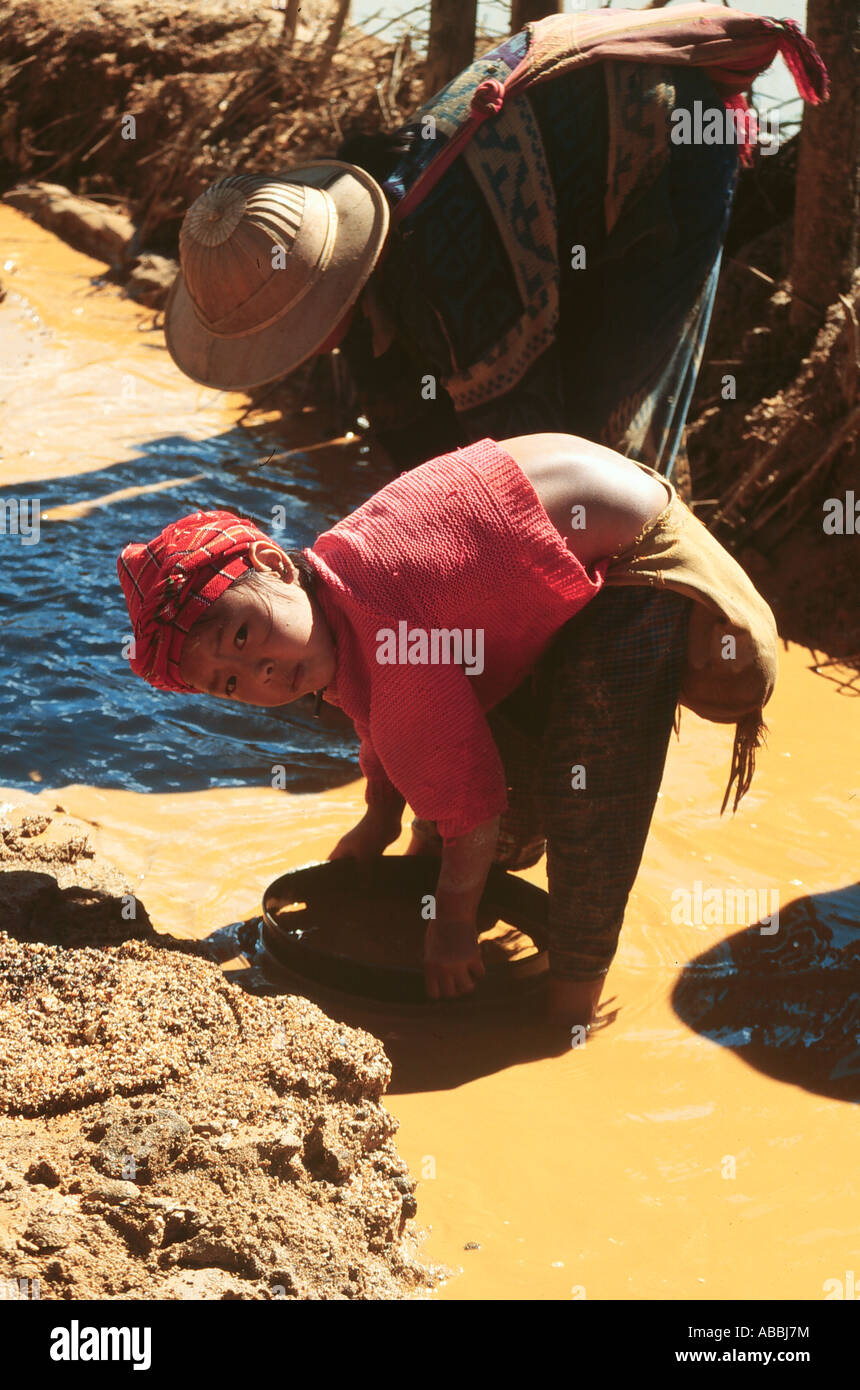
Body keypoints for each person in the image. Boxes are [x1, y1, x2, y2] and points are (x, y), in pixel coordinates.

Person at [117, 433, 777, 1030]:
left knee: (590, 800)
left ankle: (566, 1015)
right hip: (588, 498)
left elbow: (473, 806)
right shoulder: (335, 583)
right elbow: (379, 718)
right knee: (455, 765)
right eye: (231, 683)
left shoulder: (390, 640)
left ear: (277, 563)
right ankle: (438, 889)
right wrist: (380, 818)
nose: (260, 672)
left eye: (242, 635)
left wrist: (454, 926)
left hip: (646, 558)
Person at [162, 5, 826, 477]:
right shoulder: (375, 251)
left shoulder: (446, 282)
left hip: (670, 135)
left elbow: (531, 457)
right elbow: (398, 413)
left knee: (606, 439)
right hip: (570, 142)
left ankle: (649, 603)